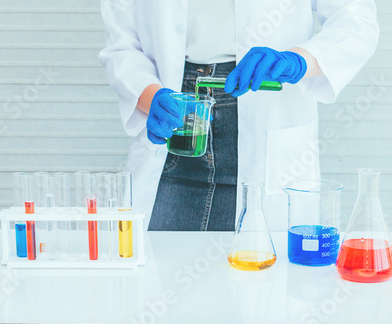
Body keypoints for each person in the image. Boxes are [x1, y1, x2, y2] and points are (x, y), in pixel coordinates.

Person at [99, 0, 379, 231]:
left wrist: (300, 60)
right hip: (178, 118)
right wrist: (149, 96)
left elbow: (356, 19)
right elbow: (122, 45)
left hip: (266, 107)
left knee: (258, 284)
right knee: (159, 279)